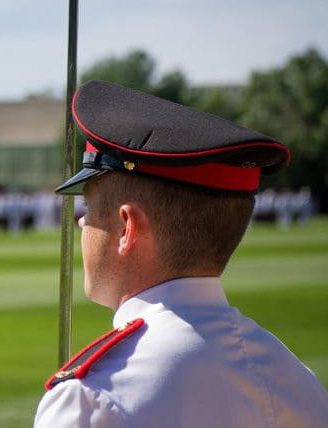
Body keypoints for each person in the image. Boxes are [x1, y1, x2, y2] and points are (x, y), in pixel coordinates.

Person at [34, 81, 328, 427]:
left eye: (89, 208)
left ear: (126, 227)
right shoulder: (299, 383)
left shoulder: (92, 401)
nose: (82, 223)